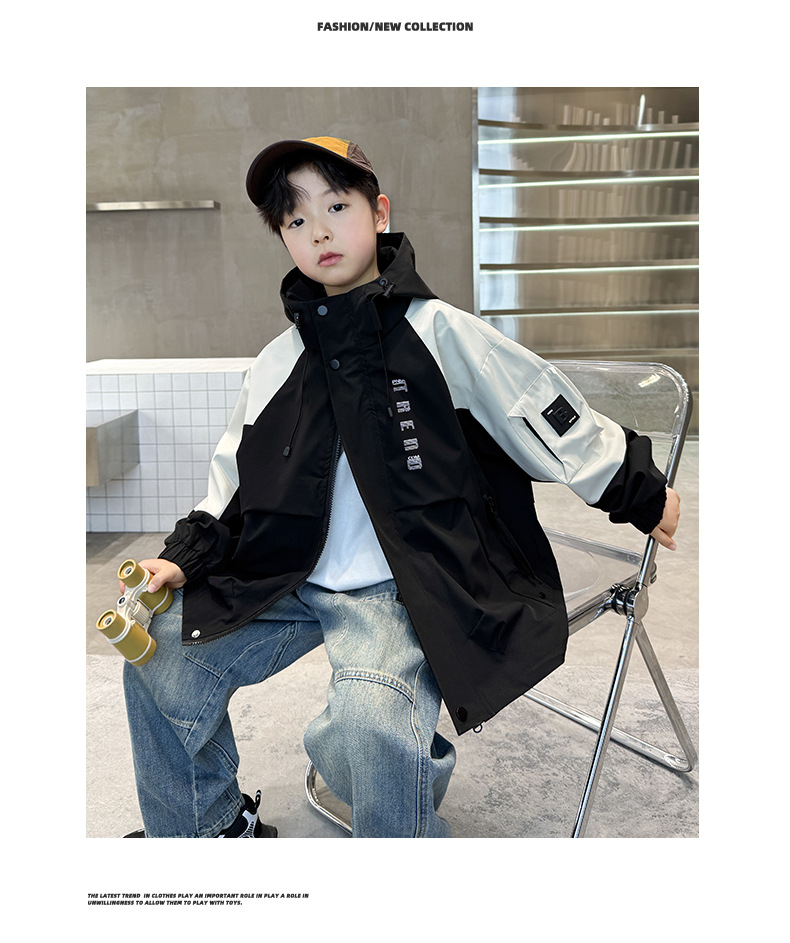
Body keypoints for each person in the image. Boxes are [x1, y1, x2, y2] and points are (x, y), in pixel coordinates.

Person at [121, 136, 680, 838]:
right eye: (296, 219)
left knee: (371, 721)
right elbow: (233, 479)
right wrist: (185, 556)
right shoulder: (277, 361)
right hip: (285, 571)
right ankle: (203, 829)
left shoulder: (439, 332)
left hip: (394, 584)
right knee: (159, 648)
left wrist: (636, 489)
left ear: (378, 212)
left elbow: (540, 407)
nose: (319, 231)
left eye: (337, 207)